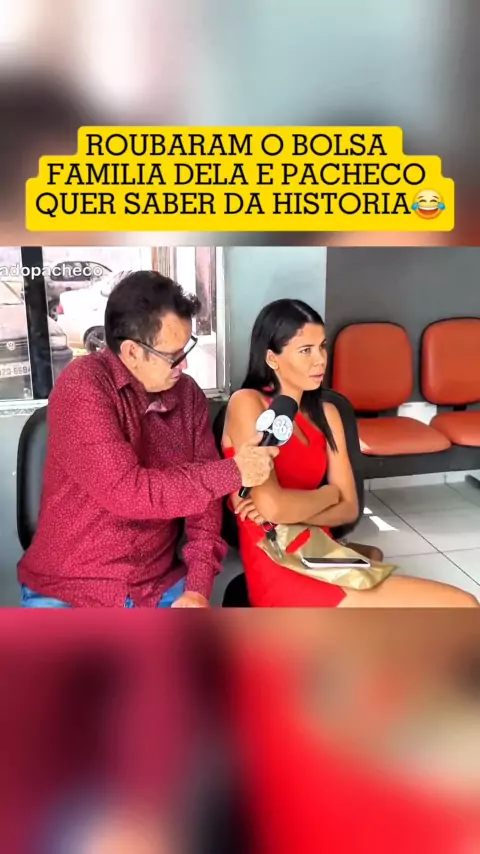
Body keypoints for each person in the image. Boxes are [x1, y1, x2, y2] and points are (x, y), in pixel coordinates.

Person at [18, 271, 278, 608]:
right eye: (173, 355)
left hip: (157, 586)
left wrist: (197, 590)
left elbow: (204, 509)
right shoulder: (82, 387)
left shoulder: (187, 396)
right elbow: (128, 492)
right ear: (131, 352)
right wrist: (234, 471)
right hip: (70, 586)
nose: (184, 365)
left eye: (186, 348)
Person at [222, 299, 479, 607]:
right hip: (279, 565)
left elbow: (347, 509)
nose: (320, 360)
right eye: (305, 350)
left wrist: (300, 505)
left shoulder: (328, 414)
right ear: (272, 358)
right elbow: (275, 508)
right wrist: (329, 494)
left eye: (322, 347)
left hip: (324, 553)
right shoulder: (247, 403)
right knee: (463, 606)